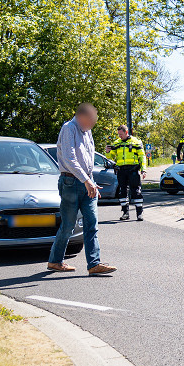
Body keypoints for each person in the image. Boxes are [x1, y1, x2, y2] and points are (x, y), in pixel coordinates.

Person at [48, 103, 115, 275]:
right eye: (91, 121)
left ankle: (94, 264)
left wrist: (91, 181)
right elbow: (70, 159)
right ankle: (55, 261)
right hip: (70, 183)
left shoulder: (87, 131)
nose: (93, 124)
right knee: (68, 226)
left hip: (87, 182)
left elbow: (88, 158)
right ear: (81, 117)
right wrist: (87, 180)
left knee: (91, 223)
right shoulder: (69, 128)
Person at [105, 124, 148, 221]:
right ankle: (125, 213)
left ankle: (139, 213)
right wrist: (108, 152)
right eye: (118, 134)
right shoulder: (117, 143)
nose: (119, 136)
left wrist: (143, 170)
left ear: (126, 132)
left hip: (133, 170)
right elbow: (110, 158)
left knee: (136, 191)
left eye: (121, 134)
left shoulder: (136, 142)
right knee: (122, 192)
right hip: (121, 171)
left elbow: (142, 156)